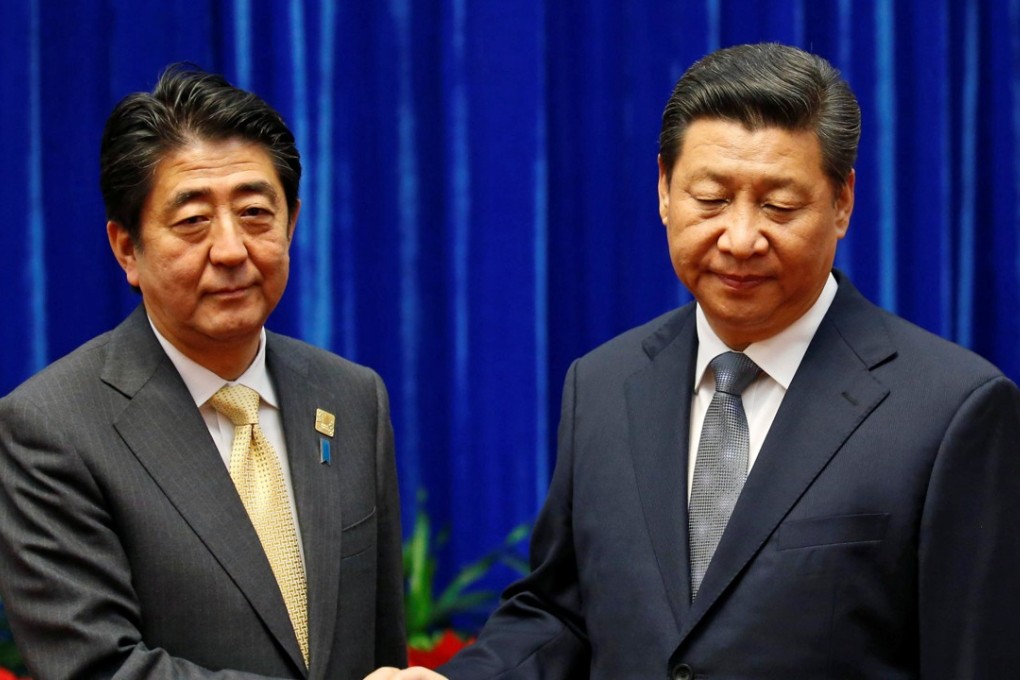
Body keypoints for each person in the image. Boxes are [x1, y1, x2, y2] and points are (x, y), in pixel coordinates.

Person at [374, 42, 1020, 679]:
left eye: (779, 206)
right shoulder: (603, 383)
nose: (740, 239)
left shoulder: (951, 410)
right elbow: (563, 613)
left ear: (843, 202)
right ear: (663, 189)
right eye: (710, 199)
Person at [0, 65, 408, 679]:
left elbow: (381, 649)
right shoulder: (51, 426)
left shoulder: (351, 396)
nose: (231, 249)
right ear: (126, 248)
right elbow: (94, 669)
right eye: (192, 221)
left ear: (291, 223)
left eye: (254, 213)